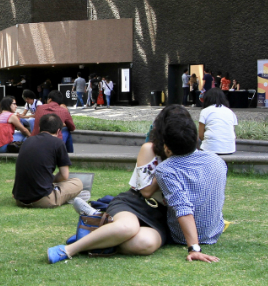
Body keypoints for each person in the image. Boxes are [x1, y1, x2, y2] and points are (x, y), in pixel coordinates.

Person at [48, 105, 228, 264]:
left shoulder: (192, 158)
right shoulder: (151, 150)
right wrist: (167, 168)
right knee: (128, 228)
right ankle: (69, 249)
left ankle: (97, 232)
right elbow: (146, 191)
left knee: (143, 244)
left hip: (163, 217)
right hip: (137, 204)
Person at [12, 114, 83, 208]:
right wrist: (53, 180)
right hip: (43, 199)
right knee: (77, 182)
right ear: (58, 131)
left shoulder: (27, 141)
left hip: (19, 199)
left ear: (39, 128)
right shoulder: (58, 143)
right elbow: (64, 175)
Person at [198, 88, 238, 155]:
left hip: (209, 148)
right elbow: (231, 131)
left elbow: (200, 135)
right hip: (229, 149)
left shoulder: (205, 111)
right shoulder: (230, 112)